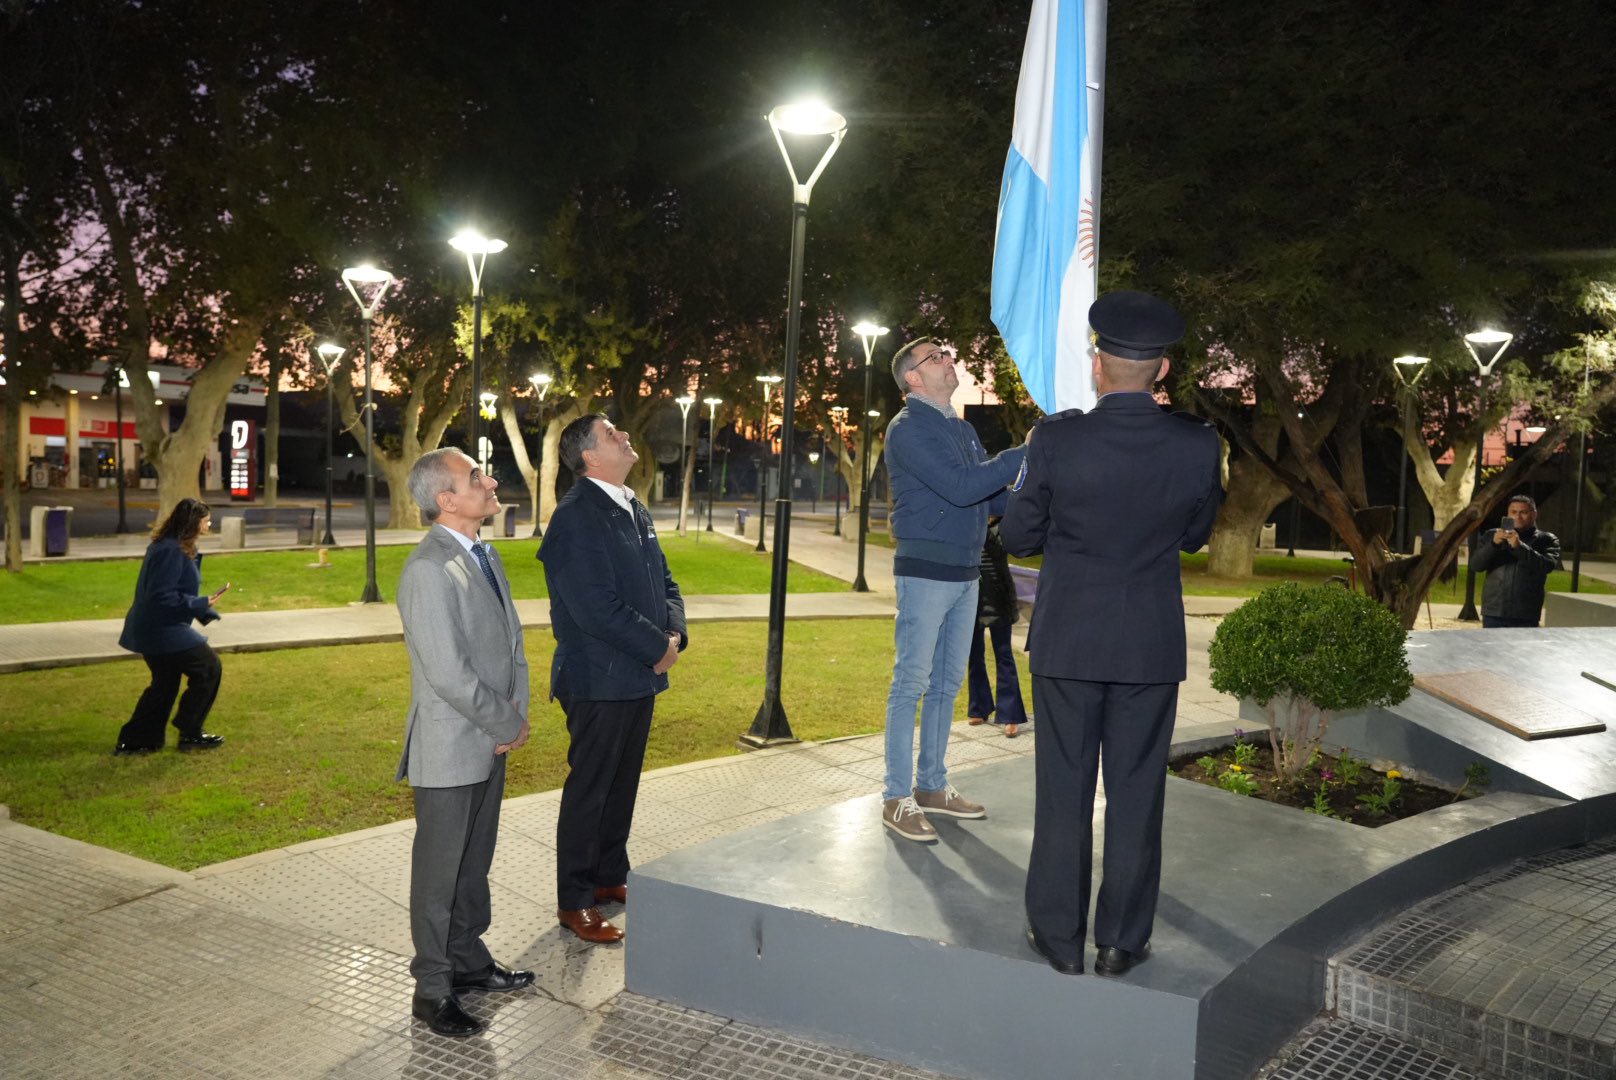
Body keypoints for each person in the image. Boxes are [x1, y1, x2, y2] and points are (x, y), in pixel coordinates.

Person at [1002, 290, 1223, 977]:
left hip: (1069, 639)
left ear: (1099, 365)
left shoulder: (1057, 438)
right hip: (1148, 645)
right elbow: (1195, 537)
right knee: (1135, 794)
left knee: (1062, 791)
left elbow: (1018, 535)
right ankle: (1121, 940)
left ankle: (1059, 939)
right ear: (1161, 370)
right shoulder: (1198, 444)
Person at [396, 448, 533, 1038]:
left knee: (472, 863)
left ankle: (469, 963)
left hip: (489, 737)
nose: (490, 481)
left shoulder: (484, 555)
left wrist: (513, 714)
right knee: (439, 872)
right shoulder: (428, 569)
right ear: (446, 500)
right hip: (453, 744)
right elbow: (449, 674)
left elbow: (509, 647)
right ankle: (432, 988)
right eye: (476, 477)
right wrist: (508, 723)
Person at [539, 414, 687, 944]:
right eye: (612, 434)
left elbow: (665, 581)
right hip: (598, 679)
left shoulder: (632, 506)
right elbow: (594, 607)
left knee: (621, 784)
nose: (625, 436)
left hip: (638, 675)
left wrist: (674, 637)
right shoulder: (577, 516)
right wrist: (657, 648)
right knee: (591, 788)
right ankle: (575, 900)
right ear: (589, 457)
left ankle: (608, 876)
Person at [880, 338, 1027, 843]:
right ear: (913, 378)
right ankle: (896, 798)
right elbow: (963, 487)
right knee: (911, 685)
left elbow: (988, 500)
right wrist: (1025, 452)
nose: (949, 360)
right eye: (936, 357)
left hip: (967, 572)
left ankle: (932, 786)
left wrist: (1038, 481)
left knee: (946, 687)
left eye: (946, 354)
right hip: (925, 572)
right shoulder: (908, 430)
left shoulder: (960, 428)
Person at [114, 497, 228, 755]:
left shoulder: (172, 546)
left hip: (158, 628)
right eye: (205, 519)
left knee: (164, 684)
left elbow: (172, 593)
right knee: (209, 668)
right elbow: (161, 596)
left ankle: (138, 740)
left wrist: (203, 606)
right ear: (192, 523)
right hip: (160, 630)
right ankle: (190, 731)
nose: (209, 523)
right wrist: (200, 603)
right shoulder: (170, 550)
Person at [966, 515, 1029, 737]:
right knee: (974, 655)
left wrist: (982, 524)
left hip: (999, 595)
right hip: (971, 593)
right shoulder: (968, 514)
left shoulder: (1006, 519)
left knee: (1004, 655)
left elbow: (1003, 549)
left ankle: (1010, 714)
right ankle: (978, 707)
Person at [1472, 494, 1561, 628]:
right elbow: (1476, 565)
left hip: (1525, 613)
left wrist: (1519, 547)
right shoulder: (1492, 535)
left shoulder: (1546, 539)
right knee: (1491, 649)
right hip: (1494, 611)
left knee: (1522, 649)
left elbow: (1546, 566)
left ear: (1534, 514)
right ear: (1507, 514)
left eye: (1523, 512)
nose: (1518, 517)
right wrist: (1493, 544)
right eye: (1513, 512)